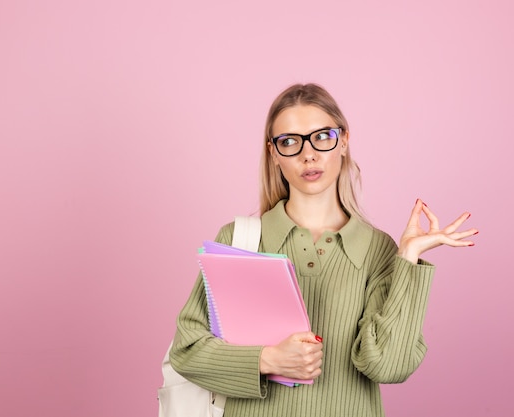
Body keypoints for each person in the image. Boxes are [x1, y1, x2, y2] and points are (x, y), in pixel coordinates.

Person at [169, 83, 477, 417]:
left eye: (322, 137)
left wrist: (407, 258)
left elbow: (388, 366)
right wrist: (268, 359)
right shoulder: (239, 239)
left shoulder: (377, 250)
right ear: (273, 153)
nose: (308, 154)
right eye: (289, 142)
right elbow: (186, 350)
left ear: (343, 141)